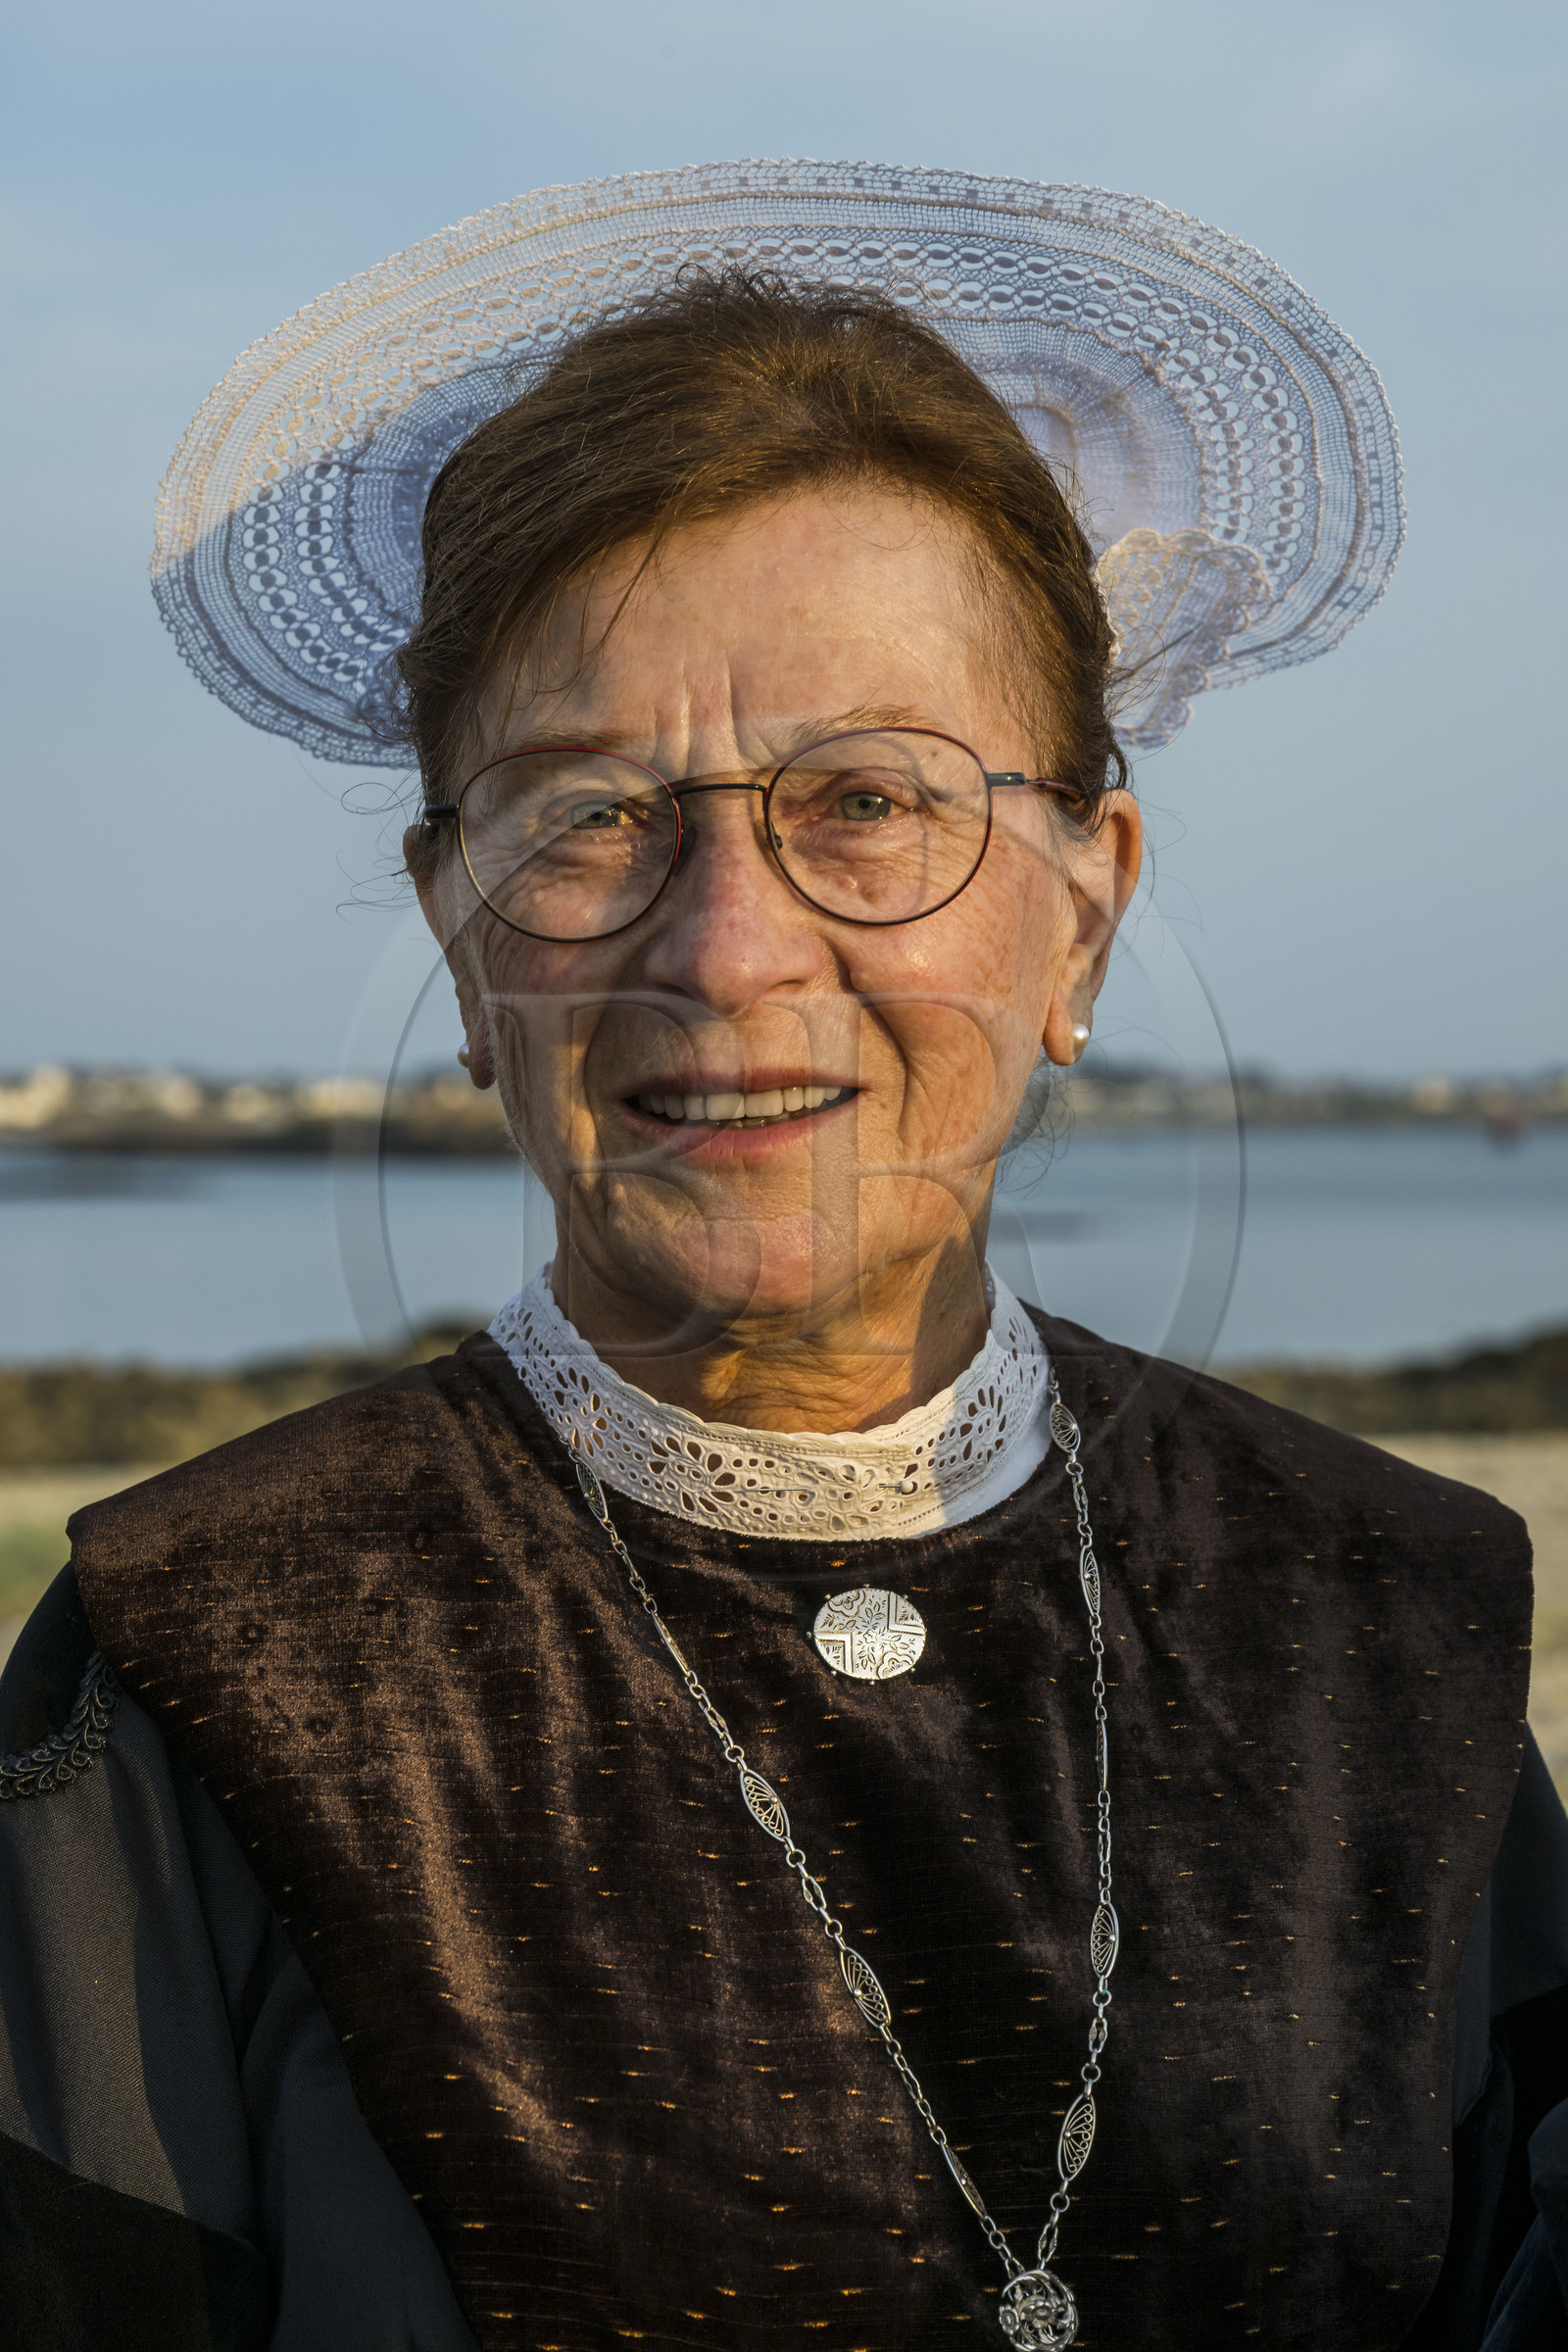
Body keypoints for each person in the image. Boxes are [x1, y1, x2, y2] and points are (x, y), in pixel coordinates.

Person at [2, 165, 1563, 2352]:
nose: (728, 951)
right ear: (454, 938)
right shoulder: (194, 1671)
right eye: (585, 818)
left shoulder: (1385, 1624)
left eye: (867, 799)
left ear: (1081, 907)